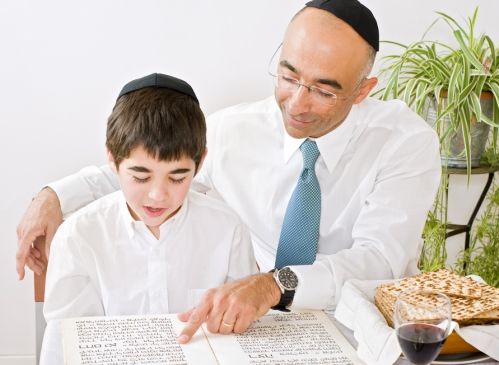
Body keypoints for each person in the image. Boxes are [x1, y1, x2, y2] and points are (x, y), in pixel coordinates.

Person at [17, 0, 441, 342]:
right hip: (258, 332)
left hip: (359, 330)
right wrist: (53, 196)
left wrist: (276, 284)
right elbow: (150, 169)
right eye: (289, 75)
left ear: (364, 90)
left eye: (324, 90)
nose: (296, 104)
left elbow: (381, 259)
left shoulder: (404, 143)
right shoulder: (234, 130)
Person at [42, 73, 257, 321]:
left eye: (177, 178)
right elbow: (68, 345)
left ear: (200, 164)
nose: (157, 196)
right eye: (141, 177)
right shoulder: (77, 238)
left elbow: (241, 331)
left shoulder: (228, 231)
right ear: (112, 159)